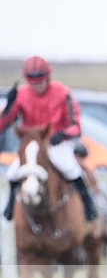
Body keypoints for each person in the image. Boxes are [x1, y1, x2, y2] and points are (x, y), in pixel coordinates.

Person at [0, 56, 97, 221]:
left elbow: (77, 127)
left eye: (40, 82)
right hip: (32, 145)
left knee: (69, 168)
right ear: (27, 81)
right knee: (12, 172)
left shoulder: (63, 92)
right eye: (33, 83)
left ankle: (88, 203)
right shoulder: (21, 94)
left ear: (48, 78)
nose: (37, 86)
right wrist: (8, 107)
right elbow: (3, 125)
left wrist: (63, 134)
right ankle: (10, 206)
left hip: (56, 142)